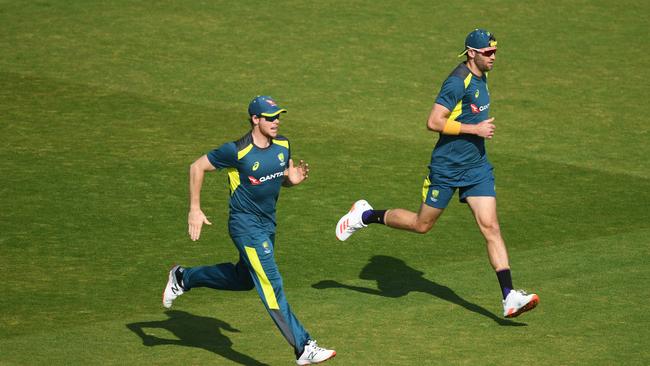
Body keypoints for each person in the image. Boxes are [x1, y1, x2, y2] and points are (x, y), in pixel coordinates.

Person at [335, 29, 539, 318]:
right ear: (472, 53)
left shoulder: (482, 76)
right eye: (487, 53)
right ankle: (365, 215)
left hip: (477, 167)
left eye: (495, 52)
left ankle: (509, 296)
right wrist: (475, 129)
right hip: (446, 168)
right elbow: (433, 121)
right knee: (422, 225)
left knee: (491, 227)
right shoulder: (457, 82)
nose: (493, 57)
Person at [163, 95, 336, 365]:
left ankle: (183, 278)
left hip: (268, 225)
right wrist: (194, 209)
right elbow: (196, 167)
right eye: (270, 117)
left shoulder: (283, 145)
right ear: (255, 119)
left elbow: (278, 178)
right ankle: (304, 347)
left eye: (278, 116)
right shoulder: (237, 151)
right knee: (271, 282)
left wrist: (292, 180)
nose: (276, 121)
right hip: (245, 226)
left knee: (244, 279)